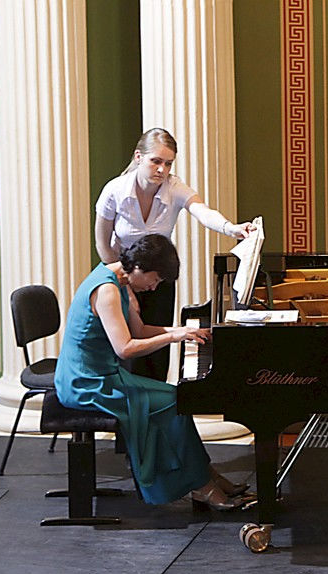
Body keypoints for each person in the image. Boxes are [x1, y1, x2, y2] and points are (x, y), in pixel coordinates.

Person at [55, 234, 248, 510]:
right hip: (86, 383)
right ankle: (200, 484)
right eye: (155, 279)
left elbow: (140, 330)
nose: (155, 287)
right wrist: (174, 337)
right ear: (139, 268)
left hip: (104, 375)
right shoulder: (107, 290)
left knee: (176, 397)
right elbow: (125, 348)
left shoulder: (120, 280)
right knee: (172, 401)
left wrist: (182, 332)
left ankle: (204, 476)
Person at [94, 128, 257, 381]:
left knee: (156, 354)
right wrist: (124, 286)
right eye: (155, 161)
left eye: (168, 163)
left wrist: (232, 229)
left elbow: (203, 212)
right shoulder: (115, 190)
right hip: (122, 277)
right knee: (127, 353)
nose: (162, 169)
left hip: (157, 279)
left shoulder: (174, 187)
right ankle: (129, 410)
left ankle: (156, 405)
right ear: (139, 157)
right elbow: (103, 245)